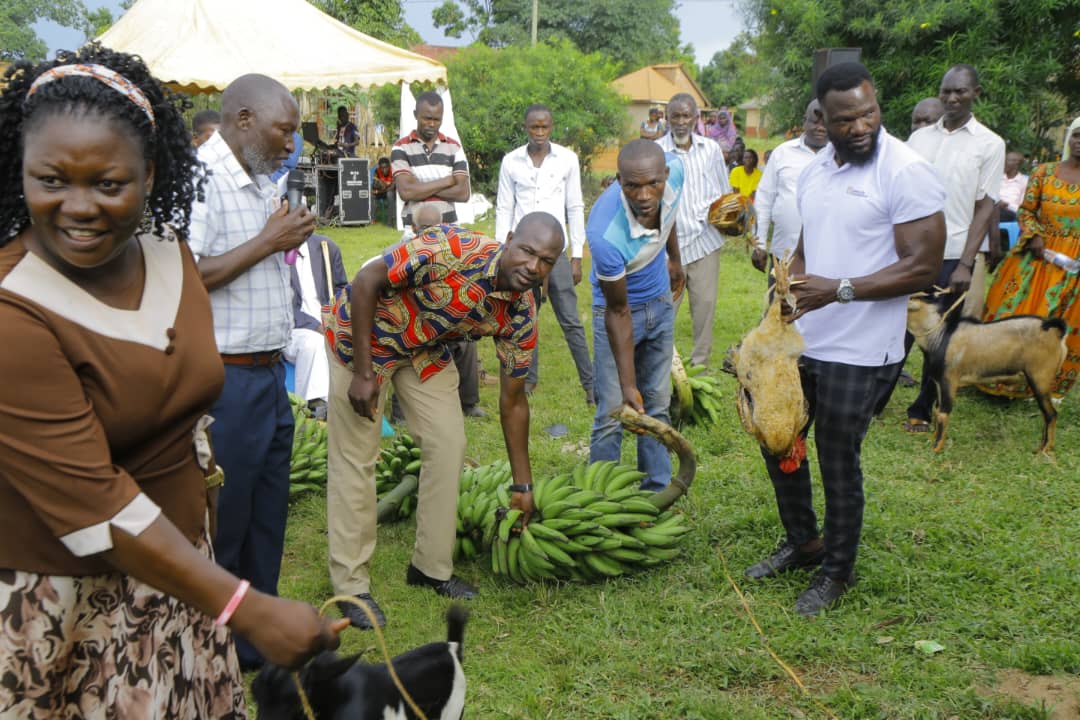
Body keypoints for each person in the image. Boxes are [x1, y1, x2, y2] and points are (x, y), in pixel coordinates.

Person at [0, 46, 344, 716]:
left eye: (108, 183)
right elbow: (94, 502)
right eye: (51, 180)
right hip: (65, 592)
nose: (79, 207)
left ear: (151, 172)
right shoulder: (15, 312)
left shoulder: (166, 254)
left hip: (180, 572)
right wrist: (245, 606)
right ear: (20, 172)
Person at [744, 62, 946, 616]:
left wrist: (841, 291)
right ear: (821, 119)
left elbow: (923, 264)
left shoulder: (904, 171)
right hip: (804, 340)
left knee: (836, 458)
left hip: (862, 350)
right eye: (845, 119)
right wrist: (785, 303)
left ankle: (837, 571)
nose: (860, 127)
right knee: (778, 438)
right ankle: (803, 542)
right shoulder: (813, 170)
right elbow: (808, 247)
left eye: (869, 113)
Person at [323, 213, 566, 628]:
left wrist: (523, 485)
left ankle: (430, 568)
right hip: (363, 338)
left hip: (423, 348)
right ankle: (351, 585)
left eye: (546, 261)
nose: (533, 267)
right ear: (508, 240)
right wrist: (364, 374)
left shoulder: (522, 313)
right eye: (527, 251)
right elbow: (366, 282)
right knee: (356, 457)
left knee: (449, 443)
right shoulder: (451, 250)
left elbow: (512, 401)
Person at [188, 73, 317, 671]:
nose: (291, 143)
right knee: (229, 518)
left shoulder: (261, 178)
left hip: (268, 376)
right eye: (283, 129)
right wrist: (269, 242)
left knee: (269, 513)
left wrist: (282, 237)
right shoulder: (201, 179)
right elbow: (185, 277)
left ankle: (256, 640)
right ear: (243, 119)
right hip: (226, 379)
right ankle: (215, 640)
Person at [904, 64, 1005, 433]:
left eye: (959, 91)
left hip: (953, 255)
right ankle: (875, 398)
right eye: (946, 91)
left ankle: (922, 406)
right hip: (910, 252)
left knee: (938, 337)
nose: (951, 98)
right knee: (895, 330)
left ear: (976, 92)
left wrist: (966, 263)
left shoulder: (990, 144)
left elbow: (985, 208)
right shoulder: (918, 140)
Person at [588, 140, 686, 491]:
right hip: (617, 312)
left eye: (653, 184)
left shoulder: (676, 175)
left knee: (657, 404)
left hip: (660, 304)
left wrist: (674, 259)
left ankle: (656, 488)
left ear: (666, 177)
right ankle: (599, 494)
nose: (645, 195)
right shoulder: (604, 233)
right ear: (618, 181)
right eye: (632, 186)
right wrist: (629, 385)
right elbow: (618, 311)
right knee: (614, 412)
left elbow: (668, 211)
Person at [496, 103, 594, 401]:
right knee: (525, 316)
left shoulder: (567, 159)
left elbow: (575, 206)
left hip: (556, 254)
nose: (540, 133)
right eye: (534, 127)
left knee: (571, 320)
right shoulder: (511, 161)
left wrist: (576, 255)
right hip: (523, 253)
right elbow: (504, 207)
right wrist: (502, 250)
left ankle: (591, 386)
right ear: (526, 128)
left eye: (545, 127)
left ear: (551, 127)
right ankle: (527, 381)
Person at [981, 117, 1080, 400]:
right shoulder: (1044, 172)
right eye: (1076, 136)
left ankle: (1044, 385)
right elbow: (1026, 211)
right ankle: (997, 380)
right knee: (1017, 315)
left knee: (1060, 324)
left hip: (1074, 268)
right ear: (1069, 139)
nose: (1079, 142)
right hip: (1036, 260)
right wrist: (1035, 234)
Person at [656, 92, 733, 367]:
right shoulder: (657, 153)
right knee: (664, 313)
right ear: (667, 118)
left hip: (705, 243)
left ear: (696, 118)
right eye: (675, 116)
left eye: (686, 115)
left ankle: (700, 370)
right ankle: (662, 369)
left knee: (704, 311)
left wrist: (732, 219)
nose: (680, 122)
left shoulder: (711, 150)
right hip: (668, 249)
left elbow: (723, 192)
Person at [753, 99, 828, 273]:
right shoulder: (782, 153)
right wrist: (760, 244)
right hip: (783, 255)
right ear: (804, 121)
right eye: (814, 121)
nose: (820, 127)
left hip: (827, 260)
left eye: (826, 123)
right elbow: (764, 200)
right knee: (779, 300)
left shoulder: (841, 157)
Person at [286, 234, 348, 419]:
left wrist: (339, 319)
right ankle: (315, 409)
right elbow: (281, 305)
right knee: (314, 343)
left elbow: (341, 290)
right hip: (291, 329)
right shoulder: (273, 251)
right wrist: (316, 326)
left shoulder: (326, 247)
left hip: (328, 321)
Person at [391, 90, 471, 233]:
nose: (432, 124)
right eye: (427, 118)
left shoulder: (454, 147)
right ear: (415, 115)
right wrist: (446, 181)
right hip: (414, 232)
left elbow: (463, 193)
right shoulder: (401, 148)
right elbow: (406, 192)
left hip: (449, 231)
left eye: (437, 119)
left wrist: (420, 188)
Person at [998, 150, 1028, 222]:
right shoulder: (997, 177)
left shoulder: (1024, 181)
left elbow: (1023, 209)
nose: (1003, 163)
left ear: (1016, 163)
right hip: (991, 207)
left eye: (1006, 160)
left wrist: (1007, 205)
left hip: (1009, 212)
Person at [372, 156, 395, 225]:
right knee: (372, 195)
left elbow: (392, 187)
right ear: (379, 167)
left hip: (391, 192)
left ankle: (390, 221)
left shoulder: (393, 171)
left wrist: (382, 187)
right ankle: (372, 219)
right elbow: (374, 185)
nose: (384, 170)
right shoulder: (377, 171)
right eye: (382, 168)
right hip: (381, 191)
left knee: (389, 194)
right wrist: (377, 186)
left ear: (389, 166)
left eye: (386, 167)